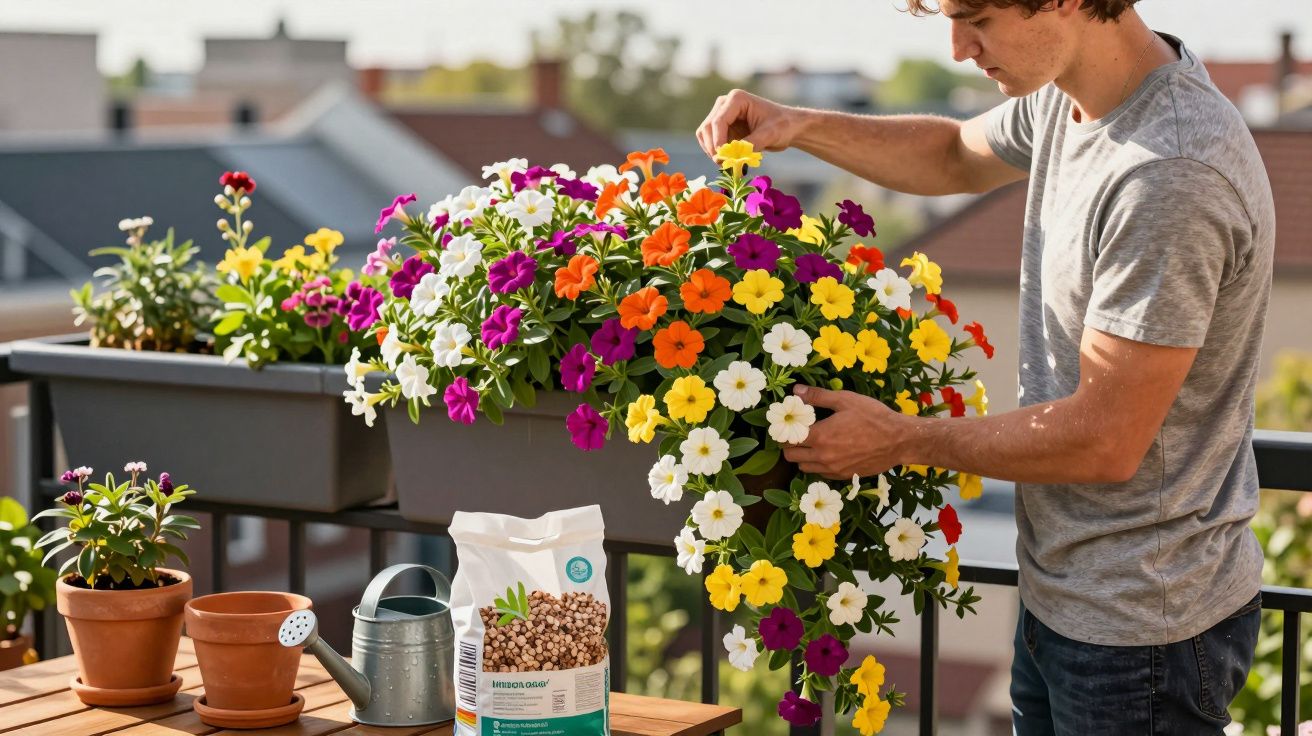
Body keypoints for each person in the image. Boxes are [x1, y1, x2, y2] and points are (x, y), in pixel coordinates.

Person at [696, 0, 1275, 733]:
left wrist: (902, 437)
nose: (958, 47)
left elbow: (1105, 439)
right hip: (1062, 596)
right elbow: (954, 155)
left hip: (1142, 631)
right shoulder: (1069, 100)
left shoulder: (1169, 171)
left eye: (977, 17)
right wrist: (800, 125)